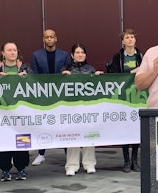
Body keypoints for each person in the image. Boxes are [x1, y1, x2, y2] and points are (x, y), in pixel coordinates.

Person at [0, 42, 32, 181]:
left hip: (21, 112)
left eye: (14, 50)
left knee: (22, 141)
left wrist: (28, 79)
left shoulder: (25, 68)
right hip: (2, 112)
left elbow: (36, 87)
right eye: (9, 50)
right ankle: (5, 170)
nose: (12, 52)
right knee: (4, 141)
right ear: (3, 53)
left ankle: (21, 168)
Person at [30, 28, 71, 166]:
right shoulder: (36, 55)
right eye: (46, 37)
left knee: (63, 124)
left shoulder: (64, 55)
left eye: (51, 37)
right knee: (44, 124)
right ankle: (41, 154)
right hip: (43, 94)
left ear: (56, 38)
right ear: (43, 39)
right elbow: (34, 75)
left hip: (61, 94)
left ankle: (68, 155)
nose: (49, 39)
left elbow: (67, 72)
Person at [61, 43, 103, 176]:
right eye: (77, 52)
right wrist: (63, 77)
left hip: (88, 108)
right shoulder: (65, 69)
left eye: (82, 52)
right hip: (71, 109)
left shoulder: (91, 69)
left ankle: (89, 163)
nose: (80, 55)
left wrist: (98, 77)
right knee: (72, 136)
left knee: (89, 134)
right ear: (72, 55)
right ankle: (71, 166)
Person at [108, 29, 143, 173]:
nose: (130, 39)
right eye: (127, 37)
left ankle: (135, 160)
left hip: (139, 95)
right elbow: (116, 75)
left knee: (136, 128)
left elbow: (146, 71)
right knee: (124, 128)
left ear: (135, 40)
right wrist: (133, 72)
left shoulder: (141, 55)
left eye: (132, 37)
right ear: (123, 41)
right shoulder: (118, 57)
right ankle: (126, 160)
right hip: (123, 97)